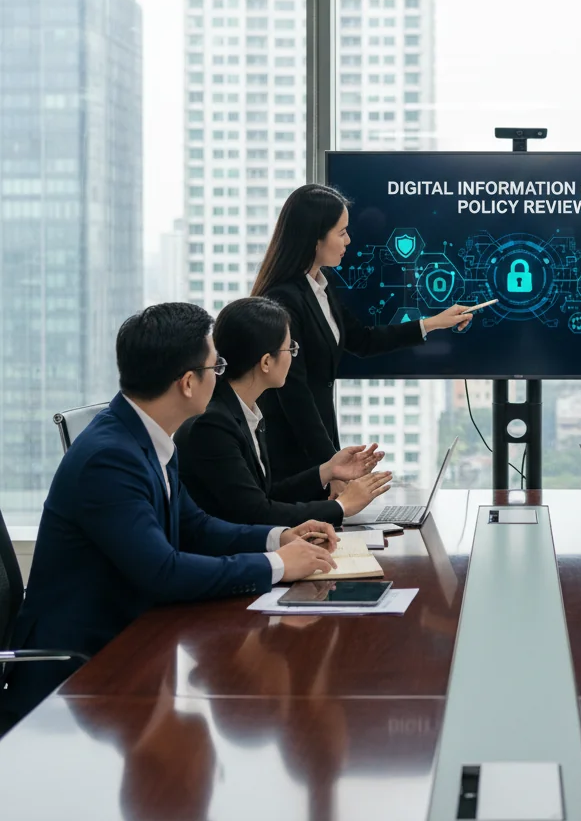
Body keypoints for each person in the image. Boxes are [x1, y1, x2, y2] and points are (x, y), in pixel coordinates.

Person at [0, 303, 338, 723]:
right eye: (217, 366)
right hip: (79, 674)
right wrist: (276, 566)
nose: (222, 375)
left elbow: (194, 526)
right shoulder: (110, 458)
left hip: (129, 646)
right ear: (187, 383)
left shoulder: (148, 436)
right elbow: (162, 572)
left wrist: (277, 538)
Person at [251, 184, 474, 492]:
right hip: (294, 456)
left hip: (320, 450)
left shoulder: (321, 285)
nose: (349, 240)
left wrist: (433, 323)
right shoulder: (285, 299)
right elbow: (295, 396)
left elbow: (363, 341)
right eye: (341, 232)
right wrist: (332, 468)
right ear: (314, 237)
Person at [176, 297, 392, 527]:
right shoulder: (212, 424)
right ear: (266, 362)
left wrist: (327, 470)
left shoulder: (242, 412)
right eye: (290, 348)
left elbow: (264, 495)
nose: (293, 356)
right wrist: (341, 506)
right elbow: (256, 513)